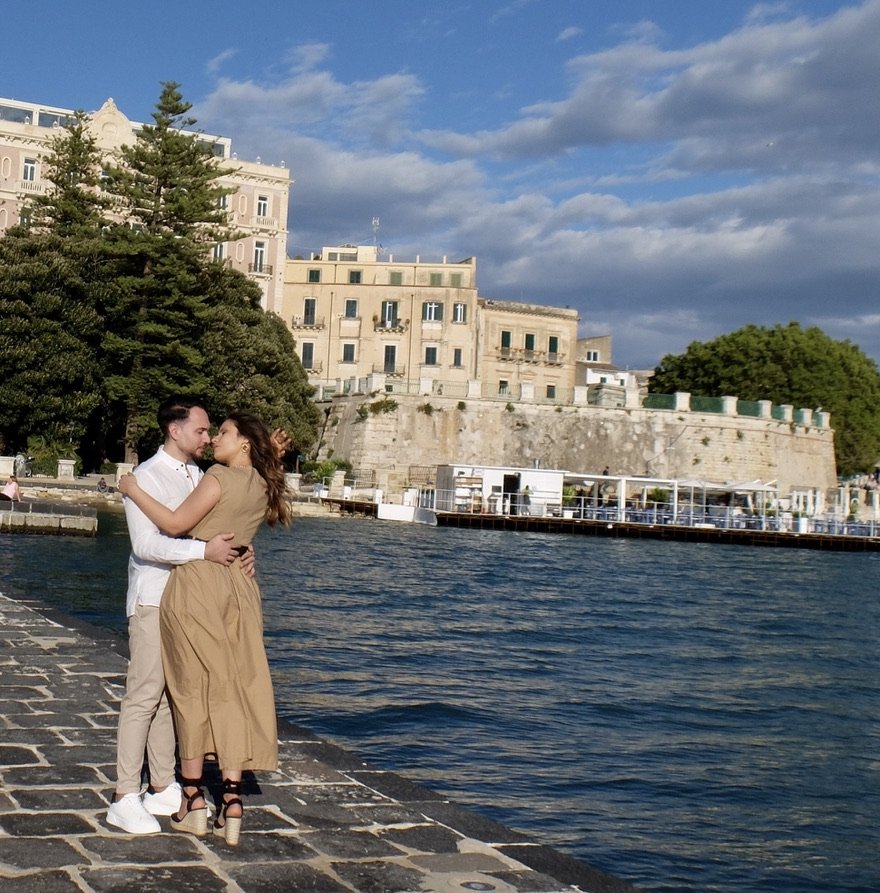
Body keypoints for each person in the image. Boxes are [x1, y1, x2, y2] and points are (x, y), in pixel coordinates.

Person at [118, 411, 291, 847]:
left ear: (244, 444)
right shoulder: (262, 482)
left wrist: (131, 489)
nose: (213, 437)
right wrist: (238, 547)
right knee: (228, 688)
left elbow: (175, 526)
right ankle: (228, 800)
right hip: (236, 592)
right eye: (206, 430)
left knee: (190, 692)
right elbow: (230, 527)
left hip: (196, 589)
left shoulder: (212, 474)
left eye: (223, 432)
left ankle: (190, 798)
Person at [106, 396, 248, 836]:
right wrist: (203, 551)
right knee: (143, 695)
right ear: (175, 430)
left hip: (189, 604)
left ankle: (163, 783)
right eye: (201, 431)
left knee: (173, 697)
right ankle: (124, 795)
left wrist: (242, 552)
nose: (207, 438)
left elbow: (216, 526)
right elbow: (146, 546)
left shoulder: (199, 475)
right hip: (153, 600)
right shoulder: (145, 477)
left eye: (210, 432)